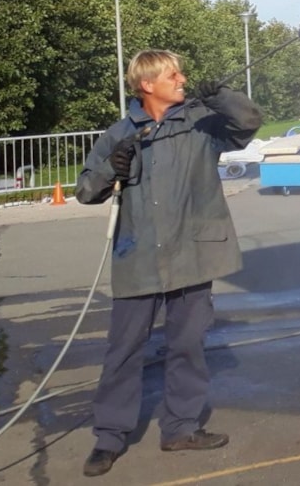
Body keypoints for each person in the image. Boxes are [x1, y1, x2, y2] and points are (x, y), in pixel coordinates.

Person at [74, 50, 261, 478]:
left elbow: (248, 122)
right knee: (123, 350)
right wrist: (110, 170)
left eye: (181, 73)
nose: (182, 79)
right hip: (137, 256)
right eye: (172, 75)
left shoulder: (202, 123)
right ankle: (109, 438)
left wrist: (221, 96)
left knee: (187, 346)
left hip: (192, 253)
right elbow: (85, 190)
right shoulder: (120, 133)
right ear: (147, 84)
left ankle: (180, 428)